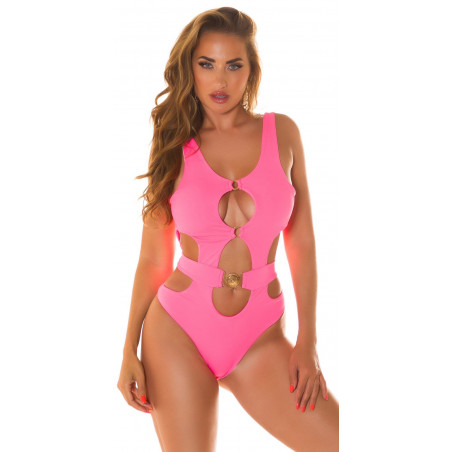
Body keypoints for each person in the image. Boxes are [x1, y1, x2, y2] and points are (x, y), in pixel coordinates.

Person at [117, 6, 339, 451]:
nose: (220, 79)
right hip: (177, 329)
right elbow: (153, 258)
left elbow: (303, 243)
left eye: (233, 65)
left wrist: (308, 341)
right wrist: (128, 349)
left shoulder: (284, 133)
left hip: (260, 335)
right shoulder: (172, 142)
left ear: (251, 70)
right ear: (190, 68)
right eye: (207, 64)